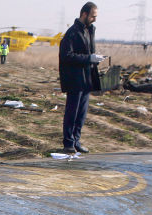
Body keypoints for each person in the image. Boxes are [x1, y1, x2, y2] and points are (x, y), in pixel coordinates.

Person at [59, 2, 103, 154]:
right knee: (72, 112)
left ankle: (76, 140)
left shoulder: (90, 30)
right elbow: (66, 56)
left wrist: (94, 59)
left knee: (81, 114)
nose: (94, 19)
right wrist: (89, 58)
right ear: (84, 14)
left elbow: (87, 52)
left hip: (86, 79)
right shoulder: (72, 33)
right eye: (93, 16)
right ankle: (68, 143)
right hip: (75, 79)